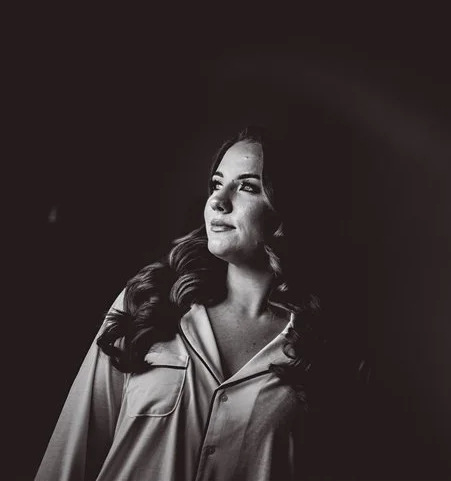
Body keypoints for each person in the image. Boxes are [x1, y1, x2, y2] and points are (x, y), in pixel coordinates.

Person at [35, 125, 364, 481]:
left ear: (287, 209)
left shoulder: (320, 351)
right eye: (216, 184)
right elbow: (71, 452)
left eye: (247, 187)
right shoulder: (148, 304)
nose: (218, 201)